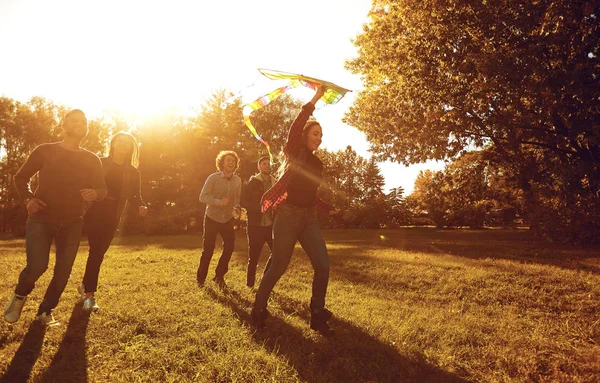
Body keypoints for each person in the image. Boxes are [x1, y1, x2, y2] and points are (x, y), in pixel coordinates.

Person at [4, 109, 107, 326]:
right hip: (41, 218)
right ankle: (20, 296)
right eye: (75, 121)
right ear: (64, 125)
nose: (81, 124)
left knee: (63, 272)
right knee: (37, 266)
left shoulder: (91, 159)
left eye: (84, 121)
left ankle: (45, 311)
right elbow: (21, 177)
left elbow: (102, 188)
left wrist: (95, 193)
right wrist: (28, 199)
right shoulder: (45, 151)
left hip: (73, 222)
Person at [251, 85, 338, 333]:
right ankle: (258, 308)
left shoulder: (317, 162)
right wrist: (316, 97)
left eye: (321, 135)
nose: (319, 137)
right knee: (279, 264)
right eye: (315, 133)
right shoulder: (295, 151)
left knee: (322, 265)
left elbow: (309, 193)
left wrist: (326, 207)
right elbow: (297, 123)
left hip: (309, 218)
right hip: (288, 215)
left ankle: (317, 313)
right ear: (304, 135)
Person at [78, 132, 148, 312]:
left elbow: (135, 195)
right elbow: (84, 181)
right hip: (92, 210)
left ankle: (86, 287)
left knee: (98, 253)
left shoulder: (133, 172)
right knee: (93, 251)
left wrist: (141, 205)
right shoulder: (99, 162)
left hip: (113, 214)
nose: (123, 145)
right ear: (114, 143)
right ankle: (89, 295)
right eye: (120, 141)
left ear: (130, 148)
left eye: (127, 143)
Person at [196, 150, 242, 288]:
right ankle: (201, 279)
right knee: (208, 249)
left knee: (229, 247)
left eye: (233, 161)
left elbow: (237, 199)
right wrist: (218, 201)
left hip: (227, 219)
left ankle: (219, 276)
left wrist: (237, 207)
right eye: (228, 160)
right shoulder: (213, 178)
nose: (231, 163)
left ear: (235, 165)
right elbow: (202, 197)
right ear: (222, 163)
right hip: (212, 217)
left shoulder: (238, 180)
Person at [240, 156, 275, 288]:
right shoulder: (253, 182)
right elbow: (244, 202)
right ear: (259, 167)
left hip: (271, 225)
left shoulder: (275, 183)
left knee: (277, 254)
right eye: (264, 164)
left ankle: (264, 279)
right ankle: (250, 285)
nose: (267, 166)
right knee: (253, 257)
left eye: (269, 164)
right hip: (255, 225)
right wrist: (259, 207)